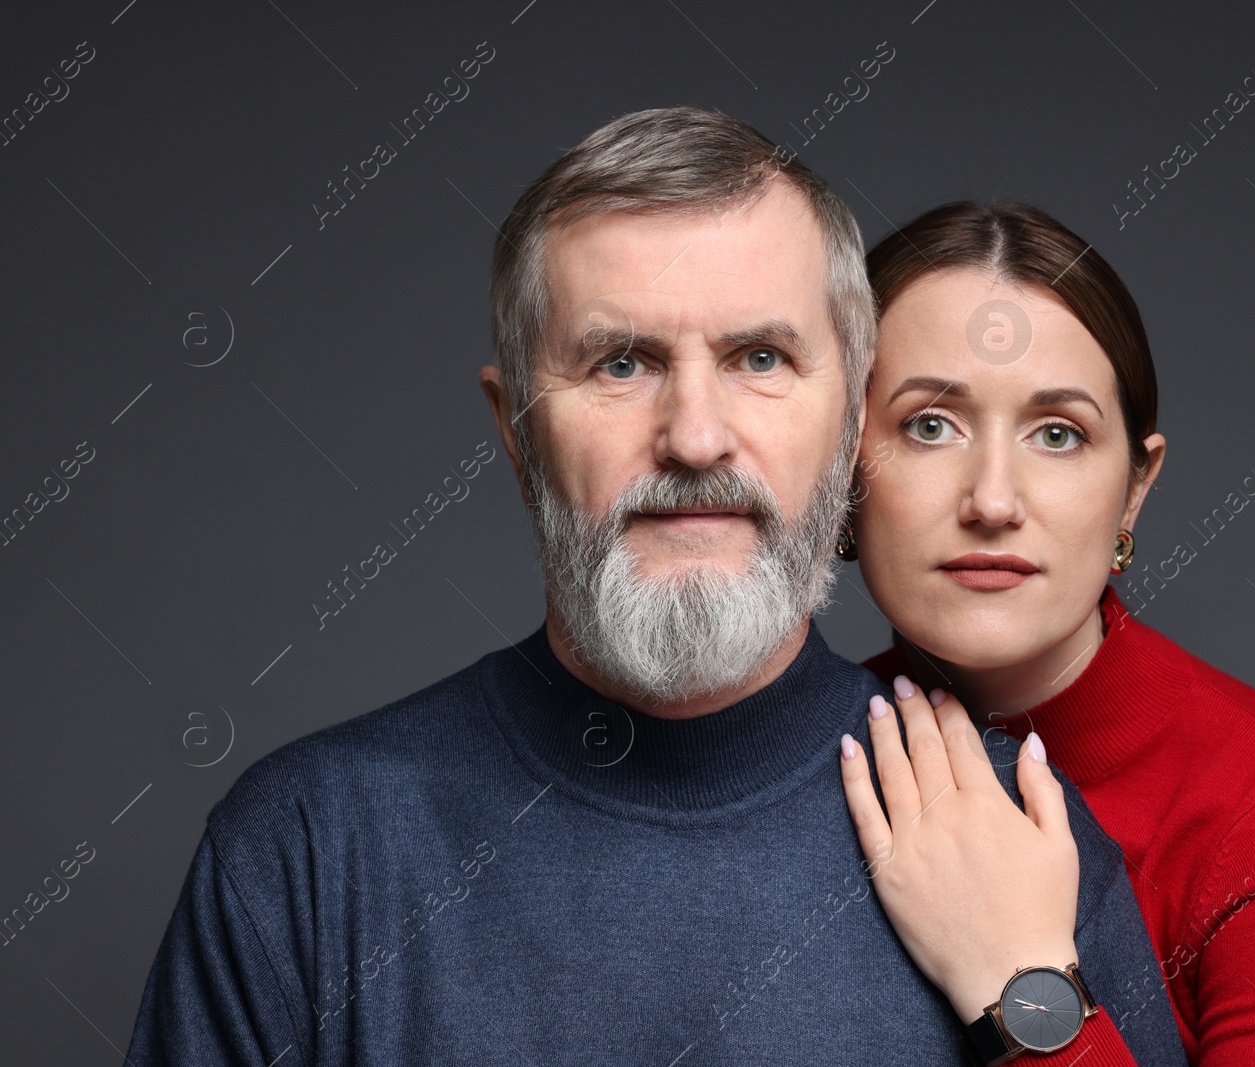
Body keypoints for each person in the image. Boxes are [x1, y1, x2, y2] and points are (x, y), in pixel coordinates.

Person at [123, 110, 1187, 1065]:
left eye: (760, 357)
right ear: (516, 431)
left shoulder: (1015, 844)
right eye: (621, 363)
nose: (693, 436)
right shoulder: (309, 847)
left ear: (850, 422)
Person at [839, 200, 1255, 1065]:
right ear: (842, 467)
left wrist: (1020, 986)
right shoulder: (794, 759)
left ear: (1134, 489)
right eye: (930, 425)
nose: (992, 500)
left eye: (1058, 434)